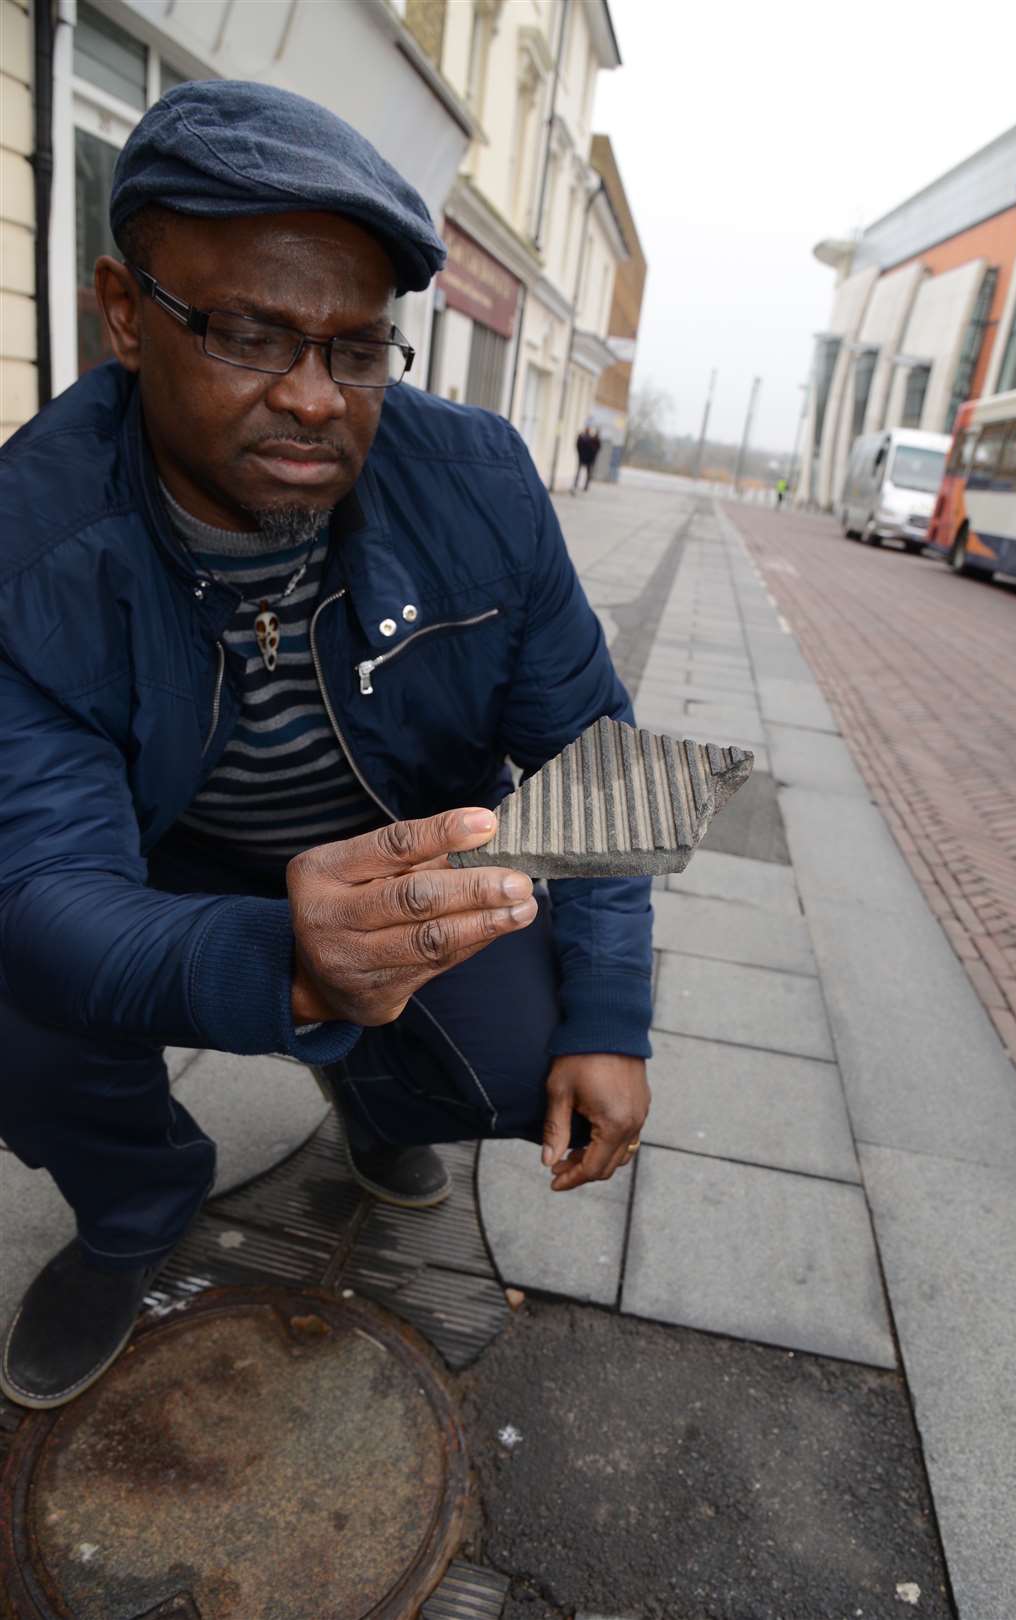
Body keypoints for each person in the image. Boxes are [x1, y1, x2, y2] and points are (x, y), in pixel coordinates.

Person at [0, 82, 652, 1411]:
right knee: (18, 991)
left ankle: (381, 1098)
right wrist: (283, 959)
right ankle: (136, 1198)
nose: (313, 399)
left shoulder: (476, 478)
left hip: (397, 861)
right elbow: (41, 883)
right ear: (126, 315)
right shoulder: (33, 537)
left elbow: (603, 756)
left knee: (536, 1052)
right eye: (250, 333)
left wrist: (611, 1013)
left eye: (357, 350)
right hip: (157, 869)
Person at [574, 425, 601, 491]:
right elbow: (578, 446)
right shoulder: (588, 439)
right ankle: (579, 484)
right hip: (585, 458)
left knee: (586, 473)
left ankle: (583, 485)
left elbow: (596, 448)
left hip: (587, 459)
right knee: (582, 472)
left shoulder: (590, 439)